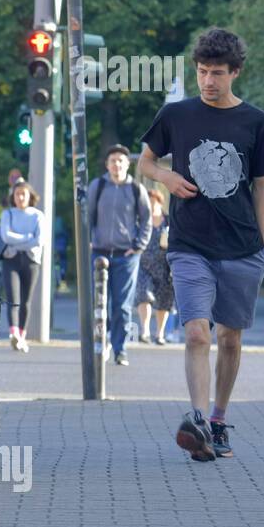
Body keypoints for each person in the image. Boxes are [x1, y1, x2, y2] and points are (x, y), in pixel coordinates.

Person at [138, 27, 264, 462]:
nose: (208, 81)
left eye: (217, 73)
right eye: (202, 72)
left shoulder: (257, 123)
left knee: (231, 339)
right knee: (198, 333)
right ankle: (197, 421)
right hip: (189, 245)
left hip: (242, 248)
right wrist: (166, 176)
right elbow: (145, 160)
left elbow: (262, 186)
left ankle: (218, 419)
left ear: (235, 72)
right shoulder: (177, 116)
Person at [88, 144, 151, 366]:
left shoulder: (136, 189)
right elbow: (87, 216)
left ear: (128, 164)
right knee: (98, 304)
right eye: (113, 160)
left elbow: (146, 220)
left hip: (126, 256)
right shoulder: (98, 185)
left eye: (121, 161)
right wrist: (88, 239)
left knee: (122, 307)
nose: (117, 164)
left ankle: (120, 349)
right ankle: (100, 343)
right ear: (107, 164)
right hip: (99, 254)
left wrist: (139, 245)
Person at [0, 179, 44, 353]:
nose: (20, 197)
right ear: (13, 197)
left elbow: (39, 240)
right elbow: (6, 237)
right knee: (12, 299)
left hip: (31, 261)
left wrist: (18, 242)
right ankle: (14, 333)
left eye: (23, 194)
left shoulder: (38, 216)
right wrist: (27, 238)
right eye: (17, 194)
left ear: (30, 196)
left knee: (25, 301)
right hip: (11, 260)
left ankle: (22, 337)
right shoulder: (7, 214)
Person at [136, 190, 174, 345]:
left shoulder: (169, 221)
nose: (150, 205)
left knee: (163, 301)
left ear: (159, 202)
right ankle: (144, 331)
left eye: (153, 201)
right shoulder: (141, 221)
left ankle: (160, 334)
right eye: (148, 202)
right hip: (144, 265)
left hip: (165, 267)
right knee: (144, 294)